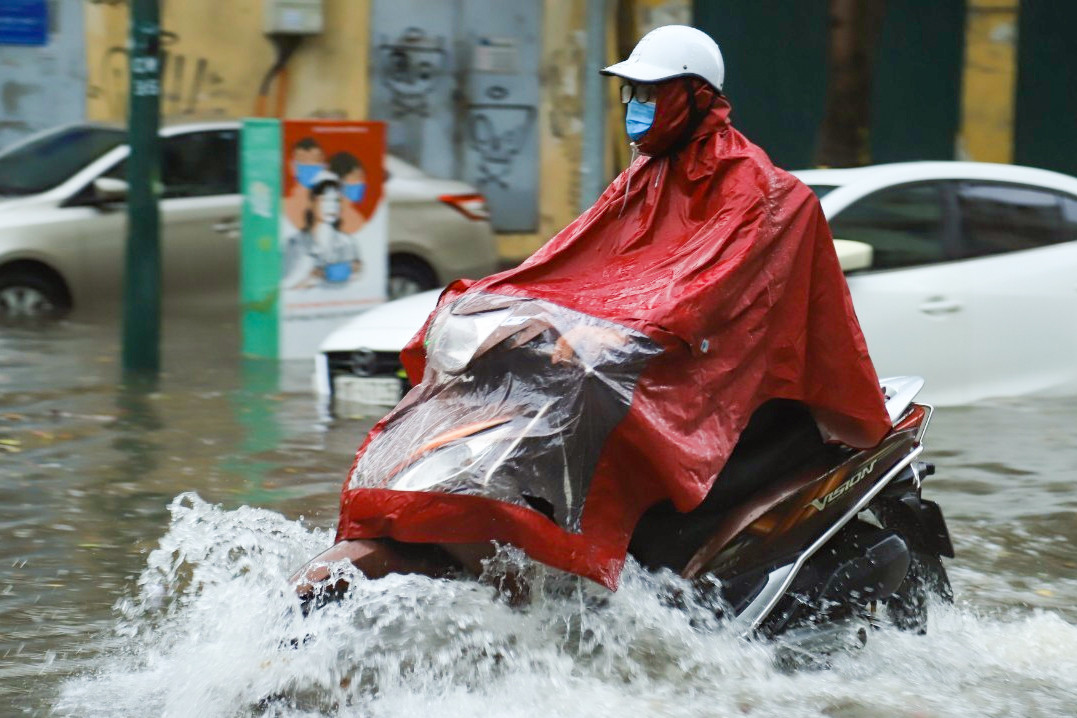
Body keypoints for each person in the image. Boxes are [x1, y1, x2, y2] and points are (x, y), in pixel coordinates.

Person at [300, 25, 893, 593]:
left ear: (695, 96)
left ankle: (592, 571)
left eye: (653, 92)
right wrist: (503, 306)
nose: (638, 103)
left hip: (711, 376)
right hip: (655, 354)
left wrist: (625, 334)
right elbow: (574, 261)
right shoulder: (644, 176)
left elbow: (705, 288)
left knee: (587, 392)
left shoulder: (761, 190)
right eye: (633, 91)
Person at [282, 171, 362, 289]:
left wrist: (349, 271)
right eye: (326, 200)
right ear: (312, 202)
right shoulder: (294, 243)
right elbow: (283, 285)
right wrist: (307, 277)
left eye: (336, 200)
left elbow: (357, 279)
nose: (332, 206)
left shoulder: (348, 243)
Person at [283, 137, 326, 231]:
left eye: (315, 159)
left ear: (324, 165)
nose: (309, 164)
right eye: (302, 159)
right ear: (292, 166)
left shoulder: (332, 207)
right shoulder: (282, 206)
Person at [327, 151, 368, 234]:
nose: (362, 183)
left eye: (362, 177)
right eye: (357, 177)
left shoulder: (356, 218)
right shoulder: (323, 217)